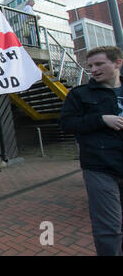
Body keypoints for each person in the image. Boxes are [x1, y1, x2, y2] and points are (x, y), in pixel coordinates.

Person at [59, 46, 123, 256]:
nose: (93, 70)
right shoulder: (80, 94)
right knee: (109, 228)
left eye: (99, 64)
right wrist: (101, 120)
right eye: (90, 66)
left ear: (117, 63)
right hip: (100, 167)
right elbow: (67, 123)